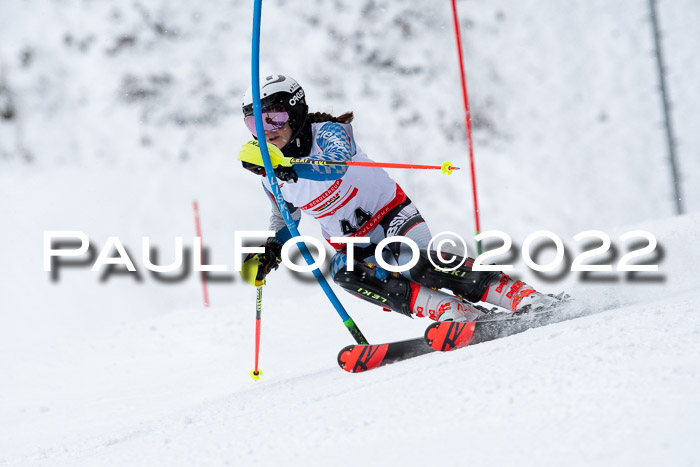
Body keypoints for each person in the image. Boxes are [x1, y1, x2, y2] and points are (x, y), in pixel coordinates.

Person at [238, 74, 561, 322]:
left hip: (392, 216)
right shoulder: (271, 177)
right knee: (346, 275)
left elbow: (334, 167)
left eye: (275, 117)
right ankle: (455, 312)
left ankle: (521, 296)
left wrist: (285, 168)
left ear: (295, 112)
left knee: (414, 262)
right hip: (350, 242)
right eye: (255, 122)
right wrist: (268, 249)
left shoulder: (329, 132)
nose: (266, 130)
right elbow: (285, 219)